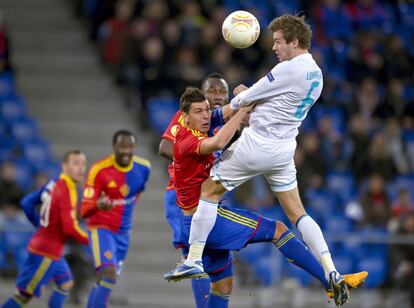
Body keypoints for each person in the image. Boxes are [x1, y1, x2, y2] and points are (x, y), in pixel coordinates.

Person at [168, 14, 366, 307]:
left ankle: (193, 260)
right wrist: (253, 99)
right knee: (298, 213)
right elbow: (275, 100)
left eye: (278, 42)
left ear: (294, 42)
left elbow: (239, 103)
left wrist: (240, 95)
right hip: (284, 150)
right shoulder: (317, 74)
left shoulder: (288, 69)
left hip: (256, 145)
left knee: (208, 192)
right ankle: (332, 271)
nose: (274, 48)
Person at [158, 73, 230, 308]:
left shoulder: (223, 121)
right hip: (183, 196)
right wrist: (195, 160)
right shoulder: (186, 118)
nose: (217, 96)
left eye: (222, 92)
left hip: (209, 197)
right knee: (194, 258)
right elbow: (165, 146)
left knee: (217, 262)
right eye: (212, 91)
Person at [1, 150, 89, 308]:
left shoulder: (53, 182)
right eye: (75, 163)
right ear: (64, 166)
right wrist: (91, 241)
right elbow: (70, 227)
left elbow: (27, 203)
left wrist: (40, 226)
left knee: (66, 283)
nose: (81, 168)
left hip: (51, 249)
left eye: (83, 163)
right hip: (46, 252)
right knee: (23, 297)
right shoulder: (68, 191)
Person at [80, 130, 151, 308]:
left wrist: (124, 214)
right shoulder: (99, 170)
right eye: (122, 147)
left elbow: (136, 194)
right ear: (114, 147)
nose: (126, 151)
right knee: (109, 272)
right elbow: (84, 210)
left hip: (123, 233)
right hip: (101, 229)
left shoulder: (143, 168)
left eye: (130, 147)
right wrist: (98, 204)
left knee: (106, 280)